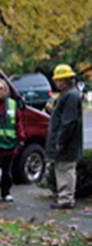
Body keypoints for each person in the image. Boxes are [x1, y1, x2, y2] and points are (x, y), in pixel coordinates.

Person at [45, 64, 83, 209]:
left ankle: (66, 198)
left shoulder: (71, 96)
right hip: (67, 141)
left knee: (65, 169)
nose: (56, 83)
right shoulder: (69, 95)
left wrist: (60, 141)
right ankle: (64, 197)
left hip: (67, 143)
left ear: (67, 80)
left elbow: (69, 122)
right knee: (63, 168)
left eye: (59, 80)